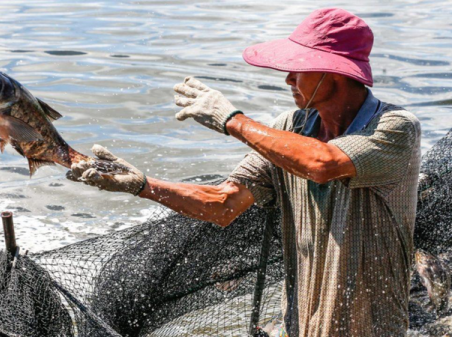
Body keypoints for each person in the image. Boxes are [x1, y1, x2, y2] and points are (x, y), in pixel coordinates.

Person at [68, 8, 421, 337]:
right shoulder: (290, 128)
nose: (288, 79)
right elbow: (222, 204)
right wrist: (142, 185)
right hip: (299, 321)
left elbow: (323, 164)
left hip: (370, 324)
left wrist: (232, 120)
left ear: (335, 72)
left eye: (300, 68)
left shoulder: (394, 128)